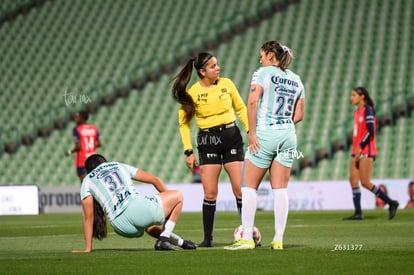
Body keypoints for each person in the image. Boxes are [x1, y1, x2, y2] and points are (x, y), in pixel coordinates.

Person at [224, 41, 305, 250]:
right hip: (288, 136)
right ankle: (278, 239)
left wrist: (252, 133)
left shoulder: (263, 72)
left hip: (266, 133)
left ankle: (247, 238)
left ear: (270, 55)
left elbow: (252, 102)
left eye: (262, 55)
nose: (260, 59)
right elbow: (300, 114)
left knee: (248, 187)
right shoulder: (296, 80)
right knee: (280, 189)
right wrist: (283, 124)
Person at [171, 52, 249, 247]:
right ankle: (208, 239)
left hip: (231, 137)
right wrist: (188, 151)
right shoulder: (193, 93)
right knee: (210, 193)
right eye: (213, 66)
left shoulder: (227, 84)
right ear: (202, 71)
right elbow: (184, 124)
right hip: (207, 141)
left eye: (217, 65)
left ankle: (247, 235)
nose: (218, 68)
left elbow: (241, 108)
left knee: (239, 190)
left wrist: (250, 130)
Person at [72, 154, 196, 252]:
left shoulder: (87, 180)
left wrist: (88, 248)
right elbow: (155, 180)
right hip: (136, 209)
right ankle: (163, 240)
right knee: (178, 196)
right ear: (105, 162)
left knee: (148, 225)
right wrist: (169, 202)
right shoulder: (117, 165)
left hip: (120, 226)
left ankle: (181, 242)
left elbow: (88, 217)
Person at [343, 87, 399, 220]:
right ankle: (358, 213)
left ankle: (391, 203)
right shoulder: (357, 112)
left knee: (365, 182)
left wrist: (360, 147)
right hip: (355, 150)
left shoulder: (368, 110)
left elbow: (371, 131)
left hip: (366, 150)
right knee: (353, 180)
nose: (351, 98)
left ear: (362, 96)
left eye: (354, 95)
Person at [64, 110, 102, 182]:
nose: (75, 119)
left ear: (82, 118)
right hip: (93, 159)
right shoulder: (94, 128)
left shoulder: (77, 129)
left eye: (77, 117)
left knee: (84, 184)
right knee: (94, 182)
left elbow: (78, 146)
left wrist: (69, 151)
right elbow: (100, 143)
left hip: (82, 159)